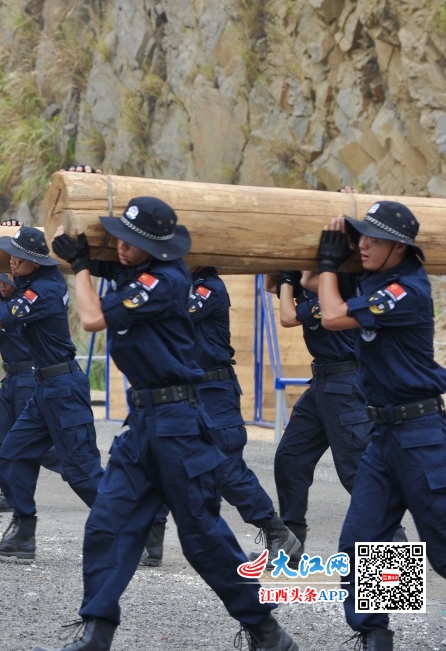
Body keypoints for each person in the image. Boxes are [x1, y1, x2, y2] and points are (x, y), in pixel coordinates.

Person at [37, 196, 298, 651]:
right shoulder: (142, 272)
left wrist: (324, 269)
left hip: (380, 409)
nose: (121, 246)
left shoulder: (395, 290)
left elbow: (327, 315)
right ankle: (371, 630)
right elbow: (300, 309)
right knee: (110, 523)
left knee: (389, 529)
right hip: (352, 407)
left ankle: (374, 618)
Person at [313, 204, 446, 651]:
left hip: (422, 434)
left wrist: (332, 261)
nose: (363, 243)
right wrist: (342, 217)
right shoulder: (375, 280)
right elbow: (314, 286)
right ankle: (376, 636)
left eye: (373, 237)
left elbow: (330, 315)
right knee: (362, 541)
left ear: (400, 246)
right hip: (383, 436)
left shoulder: (406, 289)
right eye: (359, 236)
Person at [139, 267, 301, 569]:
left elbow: (167, 315)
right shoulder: (182, 283)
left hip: (214, 390)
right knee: (160, 456)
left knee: (225, 467)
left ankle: (281, 535)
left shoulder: (207, 288)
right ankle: (150, 541)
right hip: (190, 389)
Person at [0, 225, 102, 560]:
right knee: (12, 455)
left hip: (63, 388)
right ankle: (23, 532)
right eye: (11, 257)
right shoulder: (34, 283)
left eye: (20, 258)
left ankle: (139, 529)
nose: (13, 263)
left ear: (37, 261)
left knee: (81, 471)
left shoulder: (42, 289)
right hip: (45, 386)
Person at [270, 269, 378, 556]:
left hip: (345, 384)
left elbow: (287, 317)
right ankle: (289, 547)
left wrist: (289, 281)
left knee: (357, 471)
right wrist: (284, 276)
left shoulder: (337, 283)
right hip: (321, 383)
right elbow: (273, 287)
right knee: (290, 458)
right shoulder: (312, 284)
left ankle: (392, 565)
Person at [0, 272, 63, 513]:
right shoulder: (4, 300)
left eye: (6, 281)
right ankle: (8, 493)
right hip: (11, 379)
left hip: (29, 378)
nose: (1, 285)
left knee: (36, 443)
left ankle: (83, 473)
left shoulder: (26, 303)